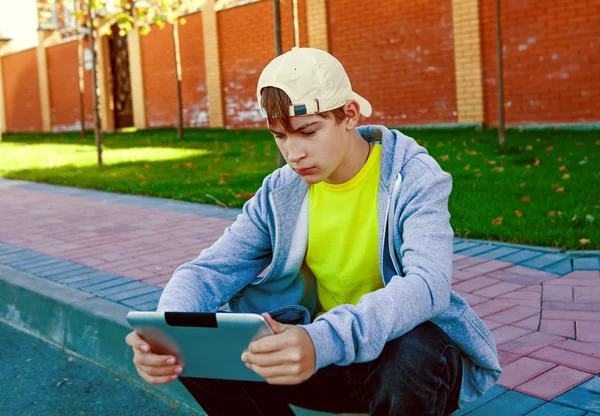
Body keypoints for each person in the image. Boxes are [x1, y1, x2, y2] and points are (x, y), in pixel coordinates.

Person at [125, 47, 502, 415]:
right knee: (204, 349)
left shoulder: (414, 178)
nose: (293, 153)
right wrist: (168, 334)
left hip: (396, 366)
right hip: (321, 360)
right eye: (280, 136)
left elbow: (428, 286)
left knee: (415, 348)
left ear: (349, 114)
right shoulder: (281, 191)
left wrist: (319, 341)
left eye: (307, 131)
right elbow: (209, 271)